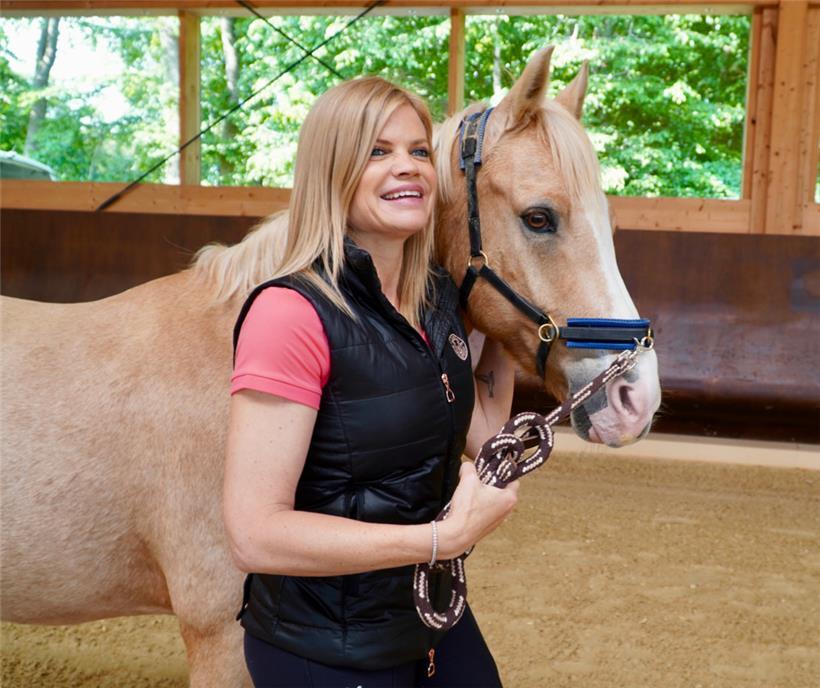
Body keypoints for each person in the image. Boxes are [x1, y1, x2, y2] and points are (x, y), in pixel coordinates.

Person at [223, 77, 518, 688]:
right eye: (378, 152)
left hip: (428, 616)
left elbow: (487, 431)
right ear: (333, 170)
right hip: (328, 647)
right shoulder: (291, 314)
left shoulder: (436, 299)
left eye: (418, 151)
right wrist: (442, 538)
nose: (407, 168)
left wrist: (509, 319)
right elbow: (255, 535)